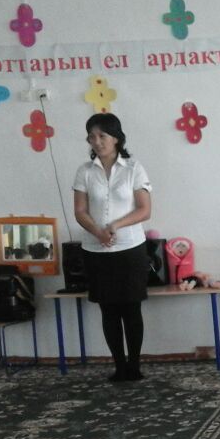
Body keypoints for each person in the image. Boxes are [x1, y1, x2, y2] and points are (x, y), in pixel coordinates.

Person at [72, 113, 153, 382]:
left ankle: (134, 366)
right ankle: (119, 366)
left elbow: (144, 210)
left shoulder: (133, 168)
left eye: (102, 136)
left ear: (116, 138)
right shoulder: (85, 171)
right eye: (91, 137)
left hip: (130, 248)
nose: (96, 141)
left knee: (131, 308)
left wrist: (115, 226)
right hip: (96, 251)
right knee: (108, 310)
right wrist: (98, 231)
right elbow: (80, 211)